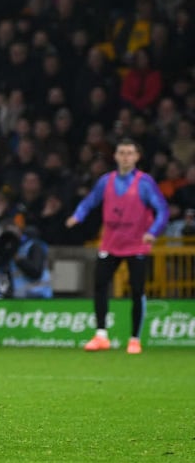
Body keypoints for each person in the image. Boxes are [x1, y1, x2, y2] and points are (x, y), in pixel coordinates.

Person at [66, 138, 169, 354]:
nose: (125, 157)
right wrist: (78, 215)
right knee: (100, 285)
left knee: (137, 289)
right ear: (115, 156)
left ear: (137, 157)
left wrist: (153, 232)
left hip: (136, 244)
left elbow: (162, 210)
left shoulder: (144, 182)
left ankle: (134, 339)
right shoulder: (106, 181)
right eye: (121, 152)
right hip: (111, 243)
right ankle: (101, 335)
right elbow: (91, 201)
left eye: (129, 153)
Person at [0, 220, 53, 298]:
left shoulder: (32, 246)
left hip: (36, 298)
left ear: (19, 233)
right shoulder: (0, 250)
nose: (9, 241)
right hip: (7, 300)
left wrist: (17, 258)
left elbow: (36, 272)